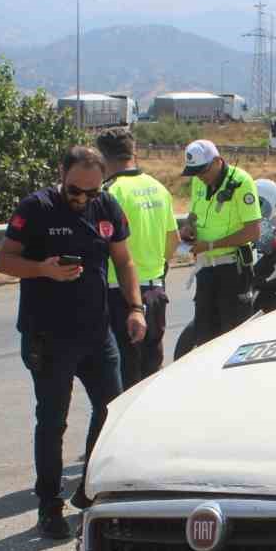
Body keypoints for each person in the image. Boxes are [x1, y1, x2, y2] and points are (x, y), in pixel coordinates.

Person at [0, 145, 145, 538]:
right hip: (49, 336)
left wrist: (135, 308)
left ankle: (89, 490)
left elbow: (124, 260)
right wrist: (41, 270)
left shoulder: (107, 208)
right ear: (61, 174)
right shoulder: (36, 208)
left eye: (92, 192)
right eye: (75, 190)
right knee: (52, 422)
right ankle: (49, 505)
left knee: (112, 414)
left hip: (97, 333)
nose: (83, 199)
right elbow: (3, 260)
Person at [98, 126, 178, 388]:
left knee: (124, 380)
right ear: (134, 152)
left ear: (103, 157)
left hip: (119, 292)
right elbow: (173, 241)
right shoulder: (158, 188)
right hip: (156, 291)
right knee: (150, 374)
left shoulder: (111, 192)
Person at [179, 138, 263, 348]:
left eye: (203, 171)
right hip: (206, 269)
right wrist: (189, 227)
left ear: (217, 161)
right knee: (204, 335)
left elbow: (253, 231)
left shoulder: (241, 182)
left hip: (232, 270)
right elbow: (194, 213)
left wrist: (210, 246)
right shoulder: (199, 180)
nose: (200, 177)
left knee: (231, 334)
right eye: (195, 172)